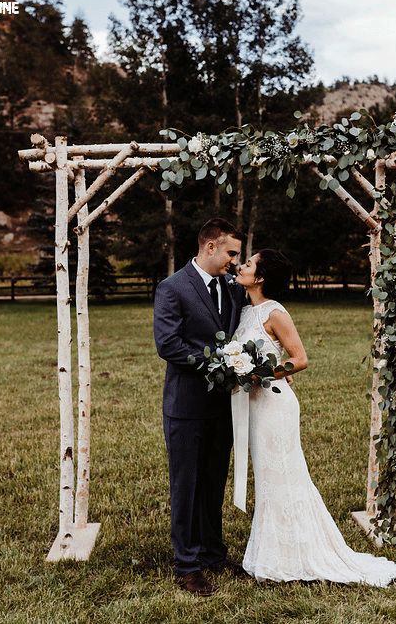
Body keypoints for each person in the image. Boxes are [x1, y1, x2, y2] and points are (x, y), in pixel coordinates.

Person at [232, 248, 396, 587]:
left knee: (283, 475)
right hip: (252, 406)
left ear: (260, 277)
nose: (242, 265)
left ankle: (295, 553)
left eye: (249, 263)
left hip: (274, 405)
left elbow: (300, 359)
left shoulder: (275, 313)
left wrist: (262, 373)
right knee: (268, 478)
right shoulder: (243, 311)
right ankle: (275, 548)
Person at [153, 218, 249, 596]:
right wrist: (217, 363)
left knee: (213, 482)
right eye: (230, 253)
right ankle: (187, 564)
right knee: (187, 485)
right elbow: (169, 345)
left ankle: (212, 552)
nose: (234, 262)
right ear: (209, 247)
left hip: (223, 406)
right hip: (187, 405)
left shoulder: (231, 287)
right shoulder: (172, 287)